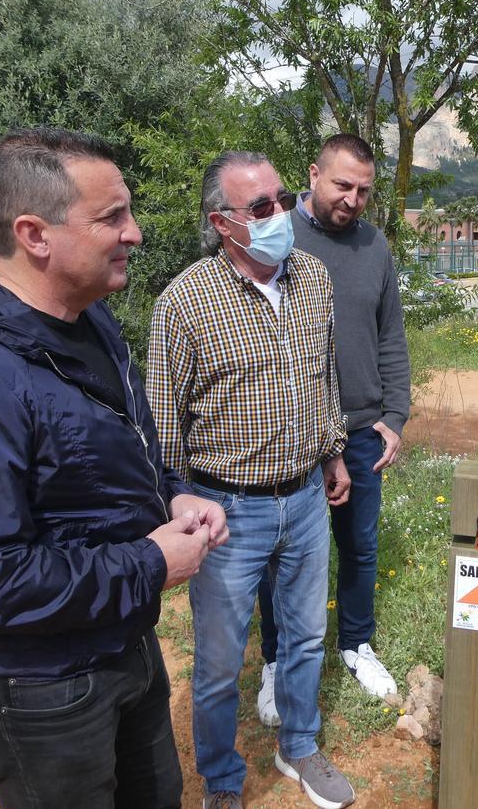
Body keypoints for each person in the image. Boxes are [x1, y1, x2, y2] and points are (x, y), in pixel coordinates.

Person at [0, 127, 225, 809]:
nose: (134, 232)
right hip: (36, 688)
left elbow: (123, 447)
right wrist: (148, 564)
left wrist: (172, 495)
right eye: (111, 217)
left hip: (120, 640)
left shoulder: (90, 321)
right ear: (34, 235)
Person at [147, 151, 354, 809]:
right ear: (223, 222)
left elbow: (324, 378)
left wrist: (333, 453)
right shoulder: (184, 303)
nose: (280, 214)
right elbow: (162, 421)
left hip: (306, 499)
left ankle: (300, 746)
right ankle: (221, 782)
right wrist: (173, 501)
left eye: (283, 199)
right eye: (261, 207)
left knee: (306, 637)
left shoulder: (313, 278)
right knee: (218, 662)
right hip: (226, 509)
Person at [255, 133, 409, 723]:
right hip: (292, 430)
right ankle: (276, 659)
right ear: (313, 175)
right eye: (343, 185)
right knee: (283, 552)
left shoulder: (374, 245)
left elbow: (390, 335)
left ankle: (355, 644)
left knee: (360, 546)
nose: (352, 199)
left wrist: (395, 416)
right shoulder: (279, 238)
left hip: (363, 429)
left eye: (364, 191)